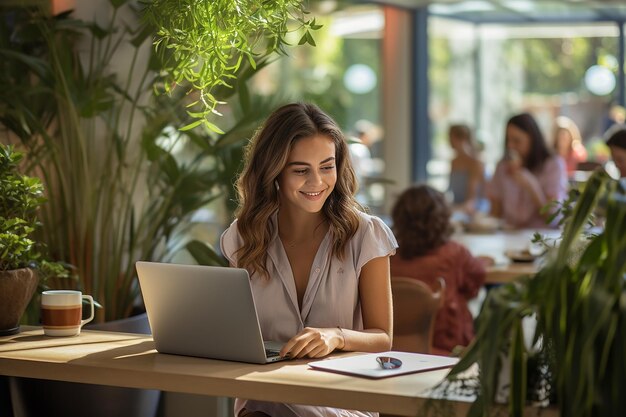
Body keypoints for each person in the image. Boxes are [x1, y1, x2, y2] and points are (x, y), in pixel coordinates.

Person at [220, 102, 398, 417]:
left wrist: (335, 336)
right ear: (273, 172)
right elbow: (239, 335)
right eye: (301, 170)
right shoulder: (243, 237)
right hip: (264, 396)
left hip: (341, 399)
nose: (317, 182)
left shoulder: (366, 235)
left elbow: (382, 338)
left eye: (326, 167)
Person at [389, 184, 489, 354]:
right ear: (442, 218)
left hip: (393, 349)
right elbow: (475, 283)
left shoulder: (388, 257)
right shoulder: (455, 253)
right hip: (447, 349)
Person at [487, 113, 568, 229]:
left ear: (533, 139)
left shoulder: (553, 165)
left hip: (541, 237)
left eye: (517, 141)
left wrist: (531, 186)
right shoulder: (502, 166)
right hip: (507, 236)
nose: (510, 146)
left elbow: (552, 219)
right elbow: (495, 212)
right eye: (508, 140)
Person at [447, 124, 487, 215]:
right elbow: (450, 191)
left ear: (462, 138)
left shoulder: (476, 162)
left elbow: (472, 200)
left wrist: (454, 209)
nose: (449, 141)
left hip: (475, 209)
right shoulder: (454, 162)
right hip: (458, 206)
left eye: (451, 137)